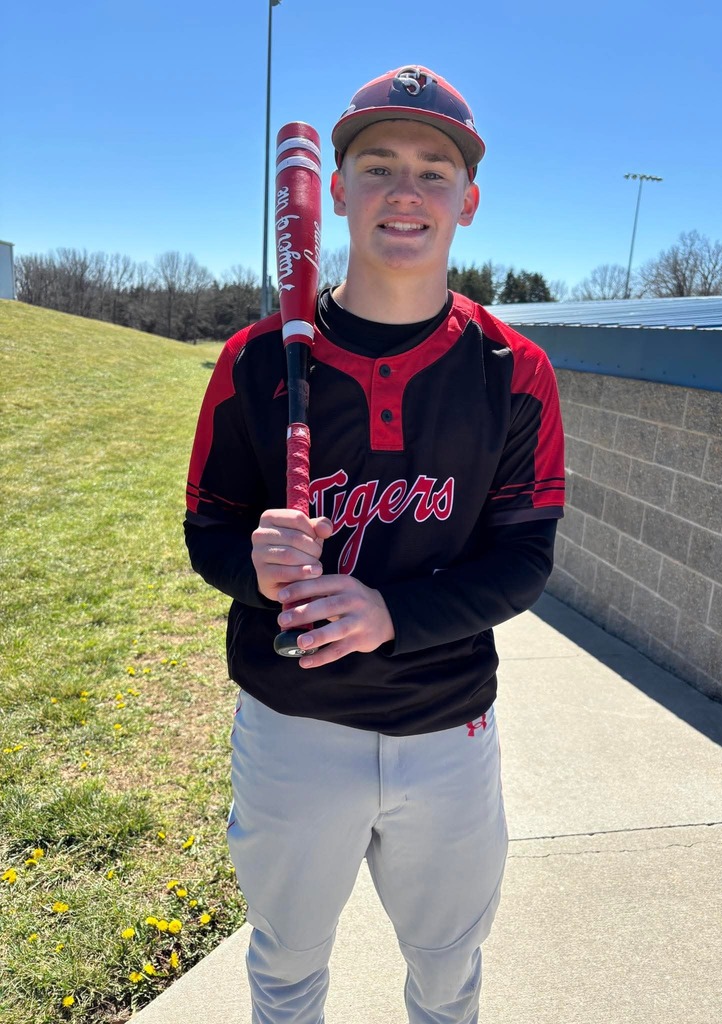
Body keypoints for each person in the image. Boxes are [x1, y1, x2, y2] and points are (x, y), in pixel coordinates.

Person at [184, 64, 565, 1024]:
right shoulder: (255, 361)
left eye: (435, 170)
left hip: (448, 732)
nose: (407, 189)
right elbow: (208, 531)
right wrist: (258, 566)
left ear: (468, 201)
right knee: (288, 967)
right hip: (293, 725)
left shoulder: (514, 371)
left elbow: (523, 560)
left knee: (447, 973)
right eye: (380, 164)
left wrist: (392, 613)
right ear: (338, 192)